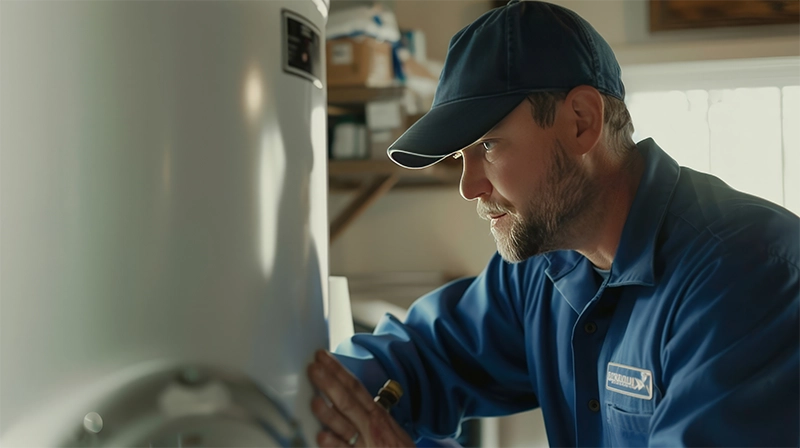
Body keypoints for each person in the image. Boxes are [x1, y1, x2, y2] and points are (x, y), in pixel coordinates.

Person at [307, 1, 800, 447]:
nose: (468, 186)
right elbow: (424, 356)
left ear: (582, 121)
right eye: (461, 155)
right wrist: (314, 402)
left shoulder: (749, 277)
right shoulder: (546, 263)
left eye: (488, 146)